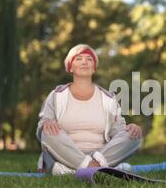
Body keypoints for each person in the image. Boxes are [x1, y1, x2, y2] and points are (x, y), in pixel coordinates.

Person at [36, 44, 142, 175]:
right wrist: (47, 123)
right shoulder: (56, 95)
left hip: (102, 154)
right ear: (70, 67)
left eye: (89, 59)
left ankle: (77, 170)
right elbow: (42, 129)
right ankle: (99, 169)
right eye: (79, 59)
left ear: (94, 68)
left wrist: (130, 129)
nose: (84, 62)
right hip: (66, 156)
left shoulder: (108, 99)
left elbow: (118, 132)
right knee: (47, 132)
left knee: (134, 135)